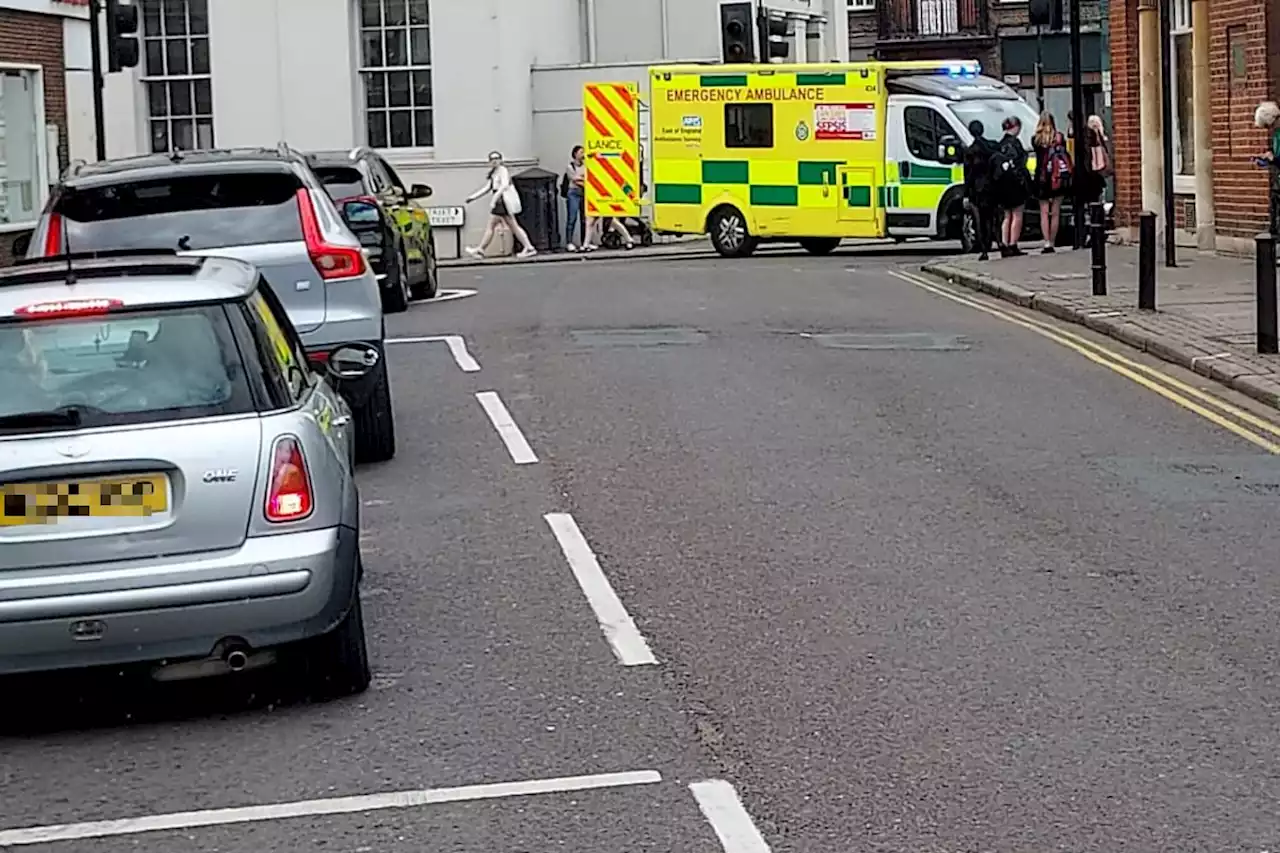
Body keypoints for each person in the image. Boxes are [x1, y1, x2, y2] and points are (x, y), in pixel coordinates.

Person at [464, 150, 536, 259]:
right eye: (492, 159)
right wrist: (472, 197)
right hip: (500, 201)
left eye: (497, 158)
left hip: (502, 201)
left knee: (498, 226)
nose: (494, 161)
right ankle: (480, 249)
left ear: (501, 160)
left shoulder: (503, 170)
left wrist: (494, 199)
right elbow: (487, 188)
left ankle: (480, 250)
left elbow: (504, 185)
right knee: (507, 226)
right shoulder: (494, 173)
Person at [1032, 111, 1071, 253]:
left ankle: (1046, 242)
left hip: (1042, 178)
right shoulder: (1060, 138)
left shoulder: (1036, 140)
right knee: (1055, 212)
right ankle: (1053, 242)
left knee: (1044, 212)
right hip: (1058, 178)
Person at [992, 115, 1030, 257]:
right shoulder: (1016, 144)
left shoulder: (999, 145)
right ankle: (1013, 244)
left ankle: (1004, 243)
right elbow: (1021, 164)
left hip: (1002, 185)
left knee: (1007, 216)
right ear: (1016, 127)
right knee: (1017, 214)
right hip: (1015, 184)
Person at [962, 120, 998, 260]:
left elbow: (968, 175)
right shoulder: (990, 147)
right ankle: (991, 242)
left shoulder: (970, 151)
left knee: (980, 220)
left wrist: (966, 194)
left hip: (977, 189)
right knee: (990, 218)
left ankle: (984, 249)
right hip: (990, 186)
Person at [1255, 101, 1280, 238]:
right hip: (1277, 181)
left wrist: (1274, 159)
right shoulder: (1276, 134)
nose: (1268, 130)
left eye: (1267, 126)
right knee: (1274, 214)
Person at [562, 146, 586, 251]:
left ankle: (584, 242)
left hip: (584, 193)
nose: (583, 154)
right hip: (573, 193)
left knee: (584, 219)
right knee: (572, 218)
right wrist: (584, 179)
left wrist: (582, 179)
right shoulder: (570, 167)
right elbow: (575, 179)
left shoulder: (585, 166)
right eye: (581, 152)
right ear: (575, 154)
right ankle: (569, 242)